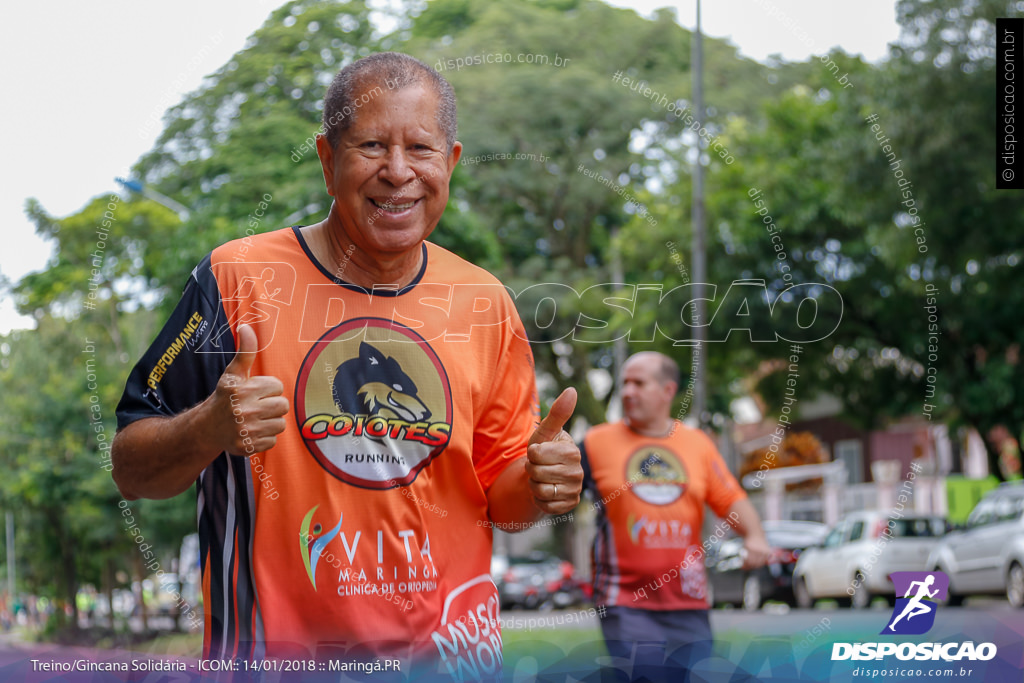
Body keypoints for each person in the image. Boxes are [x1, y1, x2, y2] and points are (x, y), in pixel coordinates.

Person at [111, 52, 583, 674]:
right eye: (370, 146)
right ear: (328, 160)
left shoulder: (483, 302)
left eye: (421, 148)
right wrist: (209, 428)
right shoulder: (237, 279)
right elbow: (131, 468)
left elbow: (501, 498)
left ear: (452, 162)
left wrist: (544, 486)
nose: (397, 172)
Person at [581, 351, 771, 680]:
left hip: (688, 600)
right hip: (625, 598)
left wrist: (755, 536)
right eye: (624, 383)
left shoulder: (696, 443)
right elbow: (553, 494)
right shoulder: (595, 443)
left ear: (668, 391)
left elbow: (729, 497)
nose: (627, 391)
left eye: (639, 383)